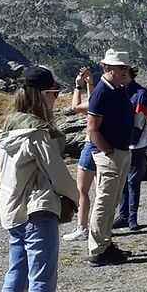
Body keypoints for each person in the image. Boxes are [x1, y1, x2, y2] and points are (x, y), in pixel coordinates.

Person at [0, 65, 88, 292]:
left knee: (17, 275)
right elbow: (57, 173)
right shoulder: (36, 133)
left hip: (14, 212)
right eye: (53, 92)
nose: (56, 98)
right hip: (38, 210)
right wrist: (79, 199)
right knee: (42, 284)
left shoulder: (6, 129)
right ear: (39, 95)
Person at [86, 49, 135, 266]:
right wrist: (107, 151)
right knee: (105, 201)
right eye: (120, 68)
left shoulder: (117, 89)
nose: (125, 71)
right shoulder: (101, 92)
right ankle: (97, 249)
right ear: (108, 69)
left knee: (112, 201)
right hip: (110, 153)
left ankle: (105, 243)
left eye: (125, 67)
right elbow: (92, 128)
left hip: (120, 150)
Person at [113, 66, 147, 231]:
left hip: (136, 143)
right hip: (122, 143)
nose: (122, 76)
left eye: (125, 73)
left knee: (133, 180)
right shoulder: (118, 92)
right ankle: (124, 217)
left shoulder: (141, 95)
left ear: (131, 75)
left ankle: (131, 218)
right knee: (124, 180)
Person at [63, 65, 95, 242]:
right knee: (102, 189)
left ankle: (82, 227)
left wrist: (78, 86)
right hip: (105, 146)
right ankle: (100, 226)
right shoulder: (112, 96)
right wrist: (90, 83)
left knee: (82, 189)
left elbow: (75, 107)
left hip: (91, 145)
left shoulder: (99, 99)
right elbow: (94, 100)